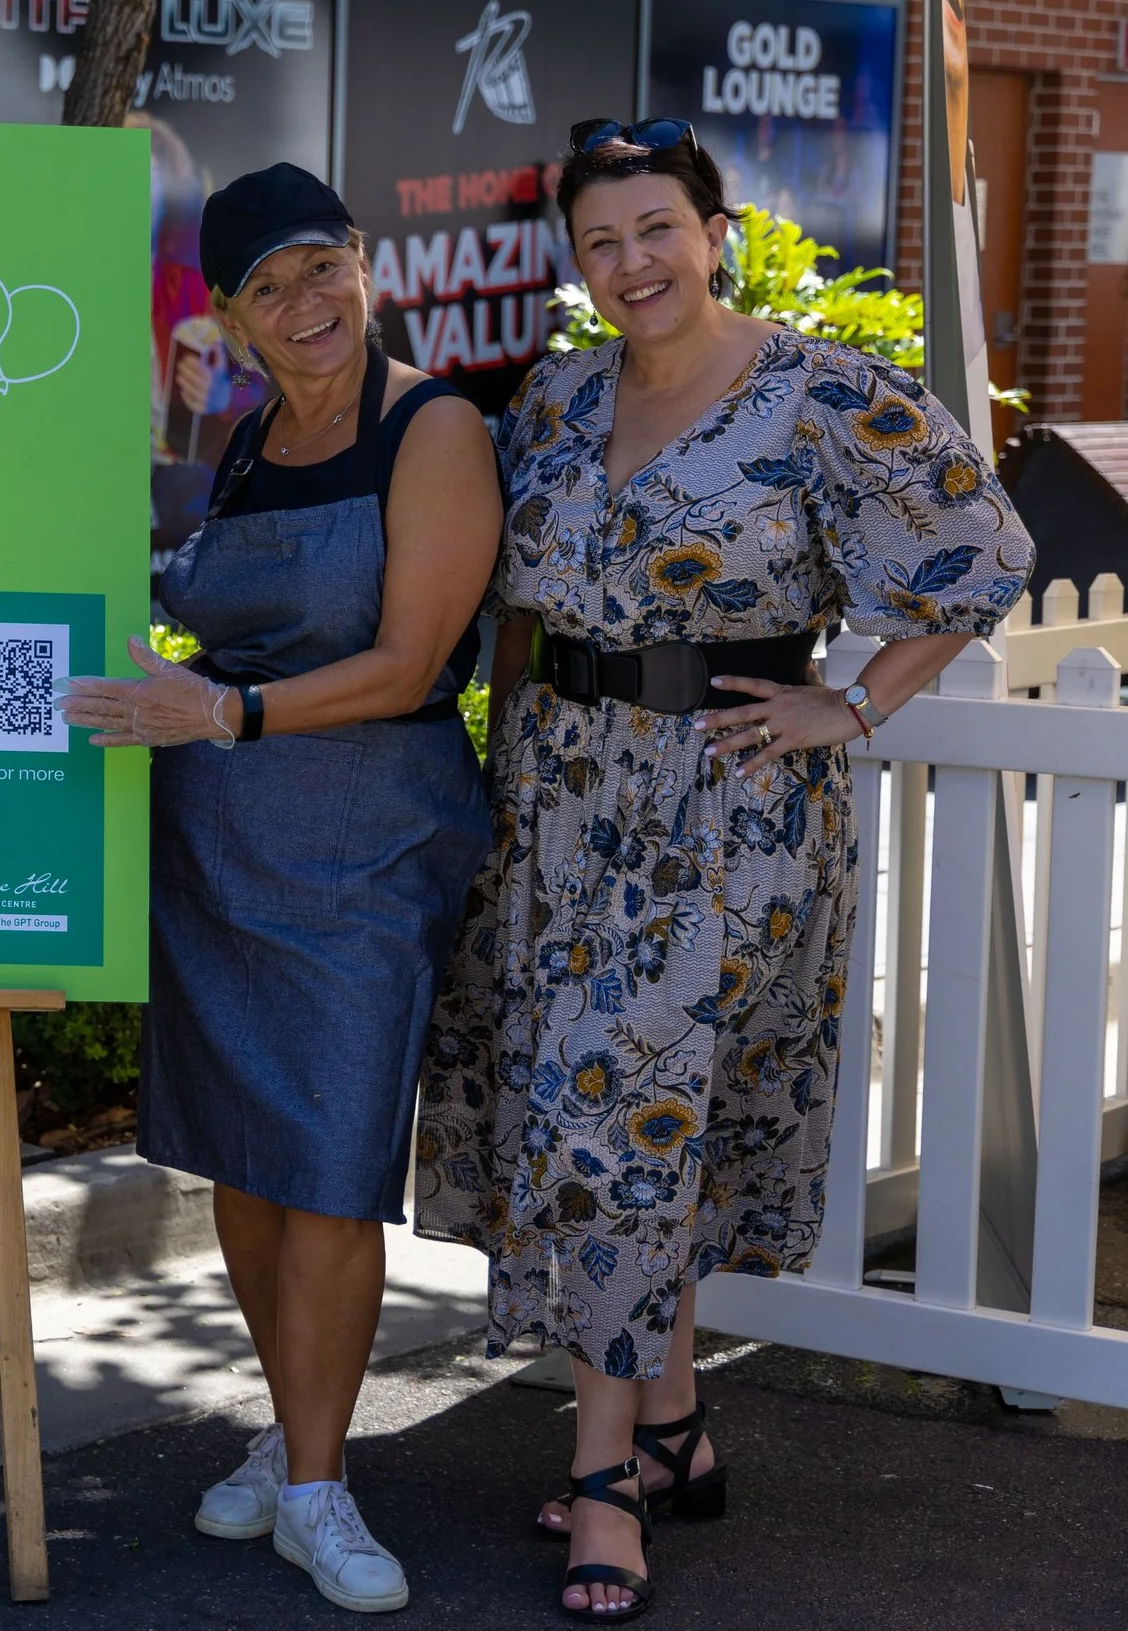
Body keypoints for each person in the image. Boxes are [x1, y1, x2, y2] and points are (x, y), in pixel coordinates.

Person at [414, 118, 1032, 1620]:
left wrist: (857, 698)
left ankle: (609, 1474)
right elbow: (507, 603)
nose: (633, 264)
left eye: (658, 230)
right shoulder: (557, 397)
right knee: (617, 1134)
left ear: (718, 233)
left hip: (724, 814)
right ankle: (676, 1424)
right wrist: (492, 784)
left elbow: (986, 544)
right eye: (603, 242)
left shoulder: (823, 392)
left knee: (623, 1131)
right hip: (559, 807)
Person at [60, 163, 502, 1615]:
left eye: (322, 267)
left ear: (364, 265)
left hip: (370, 842)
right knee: (245, 1159)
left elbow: (405, 662)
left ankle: (320, 1483)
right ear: (234, 321)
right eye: (268, 286)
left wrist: (222, 715)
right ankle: (290, 1431)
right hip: (220, 843)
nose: (304, 303)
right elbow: (209, 629)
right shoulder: (247, 443)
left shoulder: (429, 428)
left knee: (331, 1160)